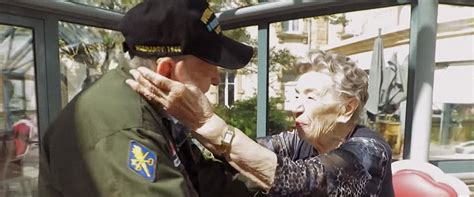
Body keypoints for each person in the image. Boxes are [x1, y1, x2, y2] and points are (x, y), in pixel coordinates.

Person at [38, 0, 257, 196]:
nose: (216, 80)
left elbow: (208, 181)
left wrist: (276, 178)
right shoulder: (127, 128)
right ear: (167, 72)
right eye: (210, 68)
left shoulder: (153, 108)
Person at [127, 50, 395, 196]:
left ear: (346, 109)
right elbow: (242, 154)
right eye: (296, 95)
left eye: (310, 97)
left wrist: (208, 121)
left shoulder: (368, 151)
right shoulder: (298, 140)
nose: (295, 106)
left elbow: (302, 181)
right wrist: (186, 123)